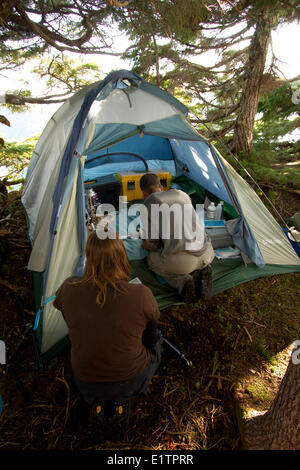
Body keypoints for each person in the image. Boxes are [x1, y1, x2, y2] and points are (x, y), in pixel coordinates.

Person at [53, 231, 162, 412]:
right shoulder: (140, 293)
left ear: (89, 258)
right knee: (157, 338)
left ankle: (99, 405)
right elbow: (151, 336)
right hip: (131, 378)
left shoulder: (68, 288)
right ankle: (129, 398)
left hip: (86, 380)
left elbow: (68, 321)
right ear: (121, 256)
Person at [139, 173, 215, 301]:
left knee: (151, 260)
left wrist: (146, 244)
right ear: (162, 187)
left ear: (144, 193)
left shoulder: (148, 203)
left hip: (183, 263)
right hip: (206, 253)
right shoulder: (182, 194)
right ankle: (202, 270)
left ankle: (183, 283)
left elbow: (154, 244)